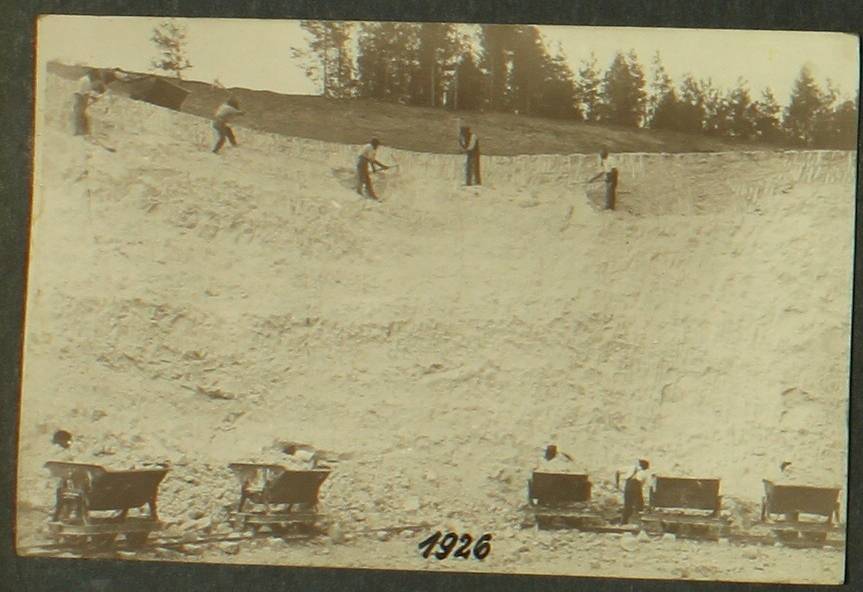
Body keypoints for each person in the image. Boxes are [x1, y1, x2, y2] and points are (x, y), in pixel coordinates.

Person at [72, 69, 112, 136]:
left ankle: (82, 131)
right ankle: (81, 131)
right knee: (80, 114)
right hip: (81, 95)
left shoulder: (87, 80)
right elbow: (85, 93)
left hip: (81, 95)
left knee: (80, 114)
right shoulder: (88, 81)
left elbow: (87, 93)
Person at [617, 459, 651, 524]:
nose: (647, 468)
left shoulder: (630, 468)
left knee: (627, 506)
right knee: (639, 506)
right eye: (646, 467)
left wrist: (617, 483)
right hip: (635, 489)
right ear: (643, 465)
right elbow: (641, 484)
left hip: (628, 488)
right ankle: (635, 521)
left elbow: (617, 471)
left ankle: (624, 521)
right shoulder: (643, 473)